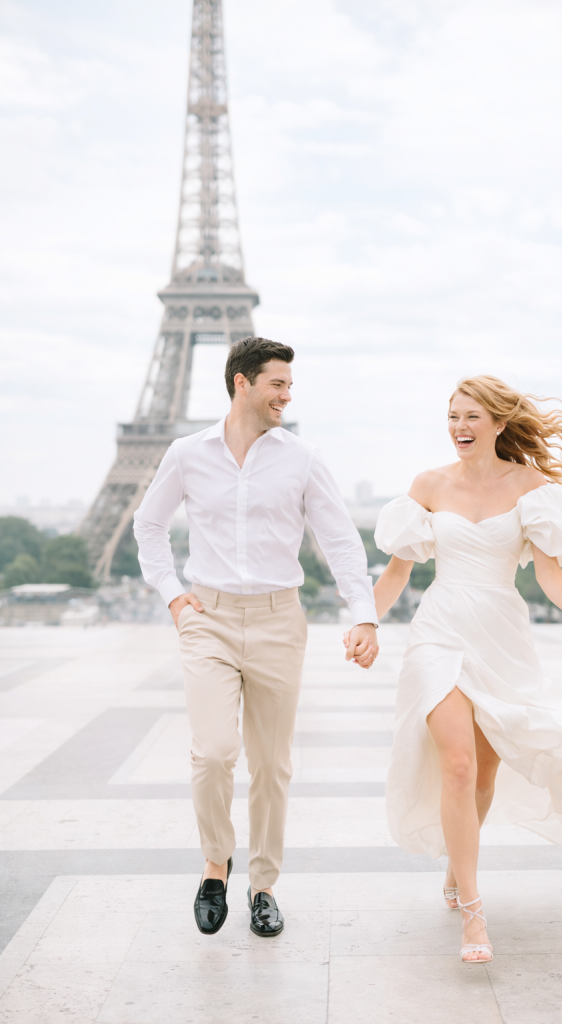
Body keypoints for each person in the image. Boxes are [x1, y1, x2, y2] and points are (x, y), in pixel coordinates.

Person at [365, 375, 562, 964]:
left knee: (483, 776)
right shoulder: (428, 485)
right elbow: (397, 573)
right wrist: (366, 621)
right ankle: (474, 915)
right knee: (456, 764)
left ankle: (460, 869)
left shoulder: (533, 487)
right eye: (453, 416)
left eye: (472, 418)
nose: (459, 428)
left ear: (499, 424)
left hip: (500, 636)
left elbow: (548, 573)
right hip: (438, 631)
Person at [133, 336, 379, 939]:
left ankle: (263, 886)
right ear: (242, 382)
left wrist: (364, 613)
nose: (286, 395)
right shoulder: (188, 454)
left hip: (277, 620)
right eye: (277, 384)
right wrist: (173, 594)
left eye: (290, 386)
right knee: (214, 751)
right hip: (208, 618)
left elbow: (340, 540)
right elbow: (149, 524)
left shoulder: (302, 458)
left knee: (271, 765)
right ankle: (215, 864)